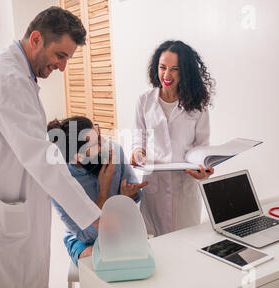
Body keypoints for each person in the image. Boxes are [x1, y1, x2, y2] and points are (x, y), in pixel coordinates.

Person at [0, 7, 104, 288]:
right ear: (36, 38)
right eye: (60, 55)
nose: (63, 67)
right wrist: (94, 217)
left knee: (8, 287)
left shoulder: (14, 71)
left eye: (67, 59)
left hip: (3, 196)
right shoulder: (8, 79)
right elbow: (42, 158)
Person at [131, 40, 215, 237]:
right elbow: (138, 136)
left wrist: (204, 170)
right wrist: (137, 151)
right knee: (156, 246)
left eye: (174, 69)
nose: (166, 75)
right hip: (154, 187)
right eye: (162, 67)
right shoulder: (144, 101)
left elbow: (203, 146)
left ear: (185, 72)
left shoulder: (197, 105)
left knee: (185, 244)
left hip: (184, 185)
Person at [47, 116, 147, 266]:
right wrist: (104, 191)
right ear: (79, 156)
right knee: (99, 258)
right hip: (84, 240)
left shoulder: (114, 151)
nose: (104, 143)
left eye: (98, 135)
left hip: (120, 227)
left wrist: (129, 195)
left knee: (131, 253)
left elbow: (135, 196)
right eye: (95, 144)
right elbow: (88, 235)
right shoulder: (60, 181)